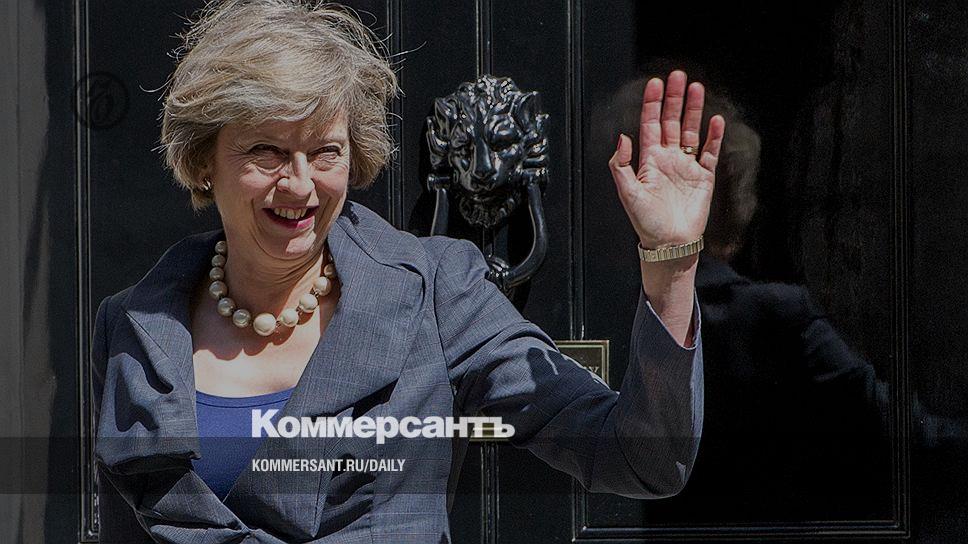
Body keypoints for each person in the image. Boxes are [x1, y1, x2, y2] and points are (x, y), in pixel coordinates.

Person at [90, 1, 724, 542]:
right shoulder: (134, 327)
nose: (301, 184)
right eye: (267, 151)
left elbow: (641, 460)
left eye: (325, 152)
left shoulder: (436, 293)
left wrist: (670, 264)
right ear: (205, 160)